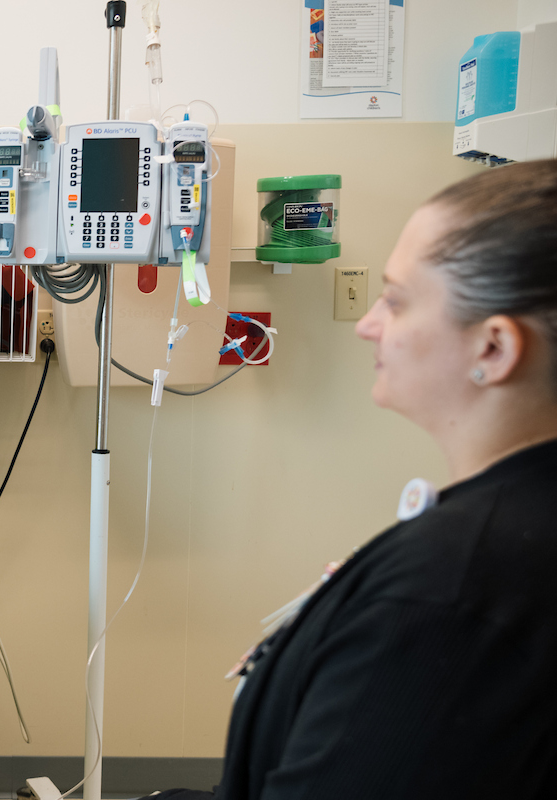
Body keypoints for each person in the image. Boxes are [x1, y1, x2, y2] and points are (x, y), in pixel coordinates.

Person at [162, 160, 557, 799]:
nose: (370, 323)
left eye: (396, 301)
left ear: (494, 349)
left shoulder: (449, 592)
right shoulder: (503, 534)